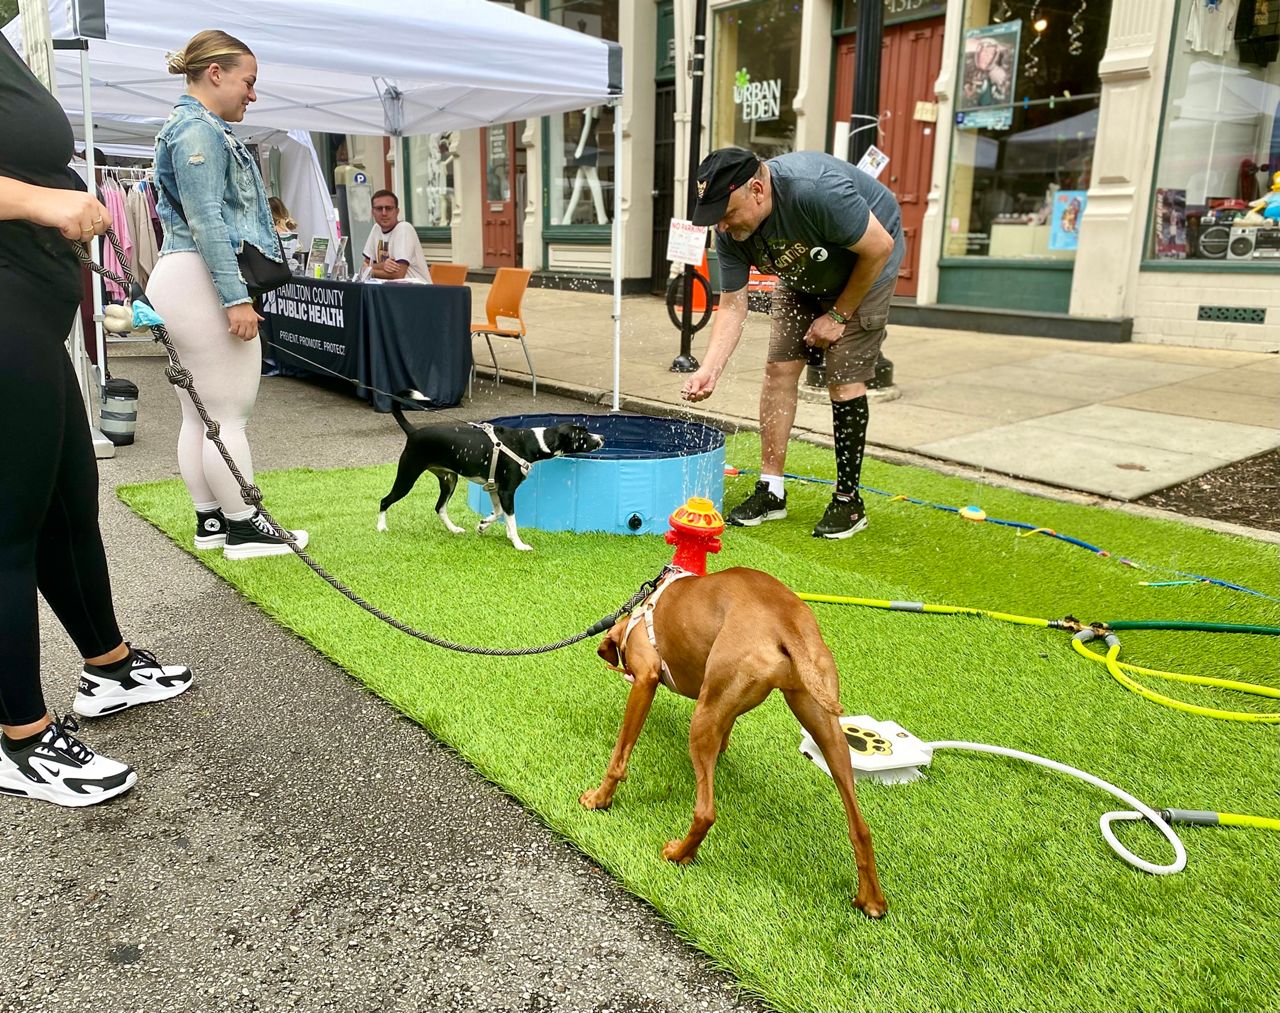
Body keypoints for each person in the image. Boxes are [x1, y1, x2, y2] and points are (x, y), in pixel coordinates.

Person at [0, 33, 192, 806]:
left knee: (70, 503)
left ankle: (107, 666)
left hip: (35, 308)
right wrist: (47, 200)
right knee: (9, 526)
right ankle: (19, 738)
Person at [680, 147, 905, 540]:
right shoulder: (729, 231)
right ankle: (772, 490)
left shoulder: (814, 191)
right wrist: (709, 369)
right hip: (802, 270)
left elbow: (879, 246)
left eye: (728, 214)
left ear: (757, 190)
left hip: (866, 263)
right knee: (778, 369)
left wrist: (837, 316)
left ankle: (849, 501)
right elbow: (733, 305)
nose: (724, 227)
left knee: (843, 379)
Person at [148, 30, 308, 560]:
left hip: (181, 275)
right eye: (249, 81)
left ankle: (213, 520)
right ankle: (244, 526)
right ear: (215, 73)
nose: (252, 94)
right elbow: (208, 221)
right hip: (200, 278)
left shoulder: (185, 127)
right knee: (227, 415)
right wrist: (236, 297)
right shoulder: (199, 132)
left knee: (199, 415)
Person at [362, 190, 431, 282]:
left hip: (416, 291)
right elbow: (364, 265)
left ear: (397, 211)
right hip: (389, 290)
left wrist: (370, 271)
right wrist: (382, 266)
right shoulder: (376, 229)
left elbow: (399, 274)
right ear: (372, 212)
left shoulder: (404, 228)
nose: (384, 213)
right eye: (379, 209)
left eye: (389, 208)